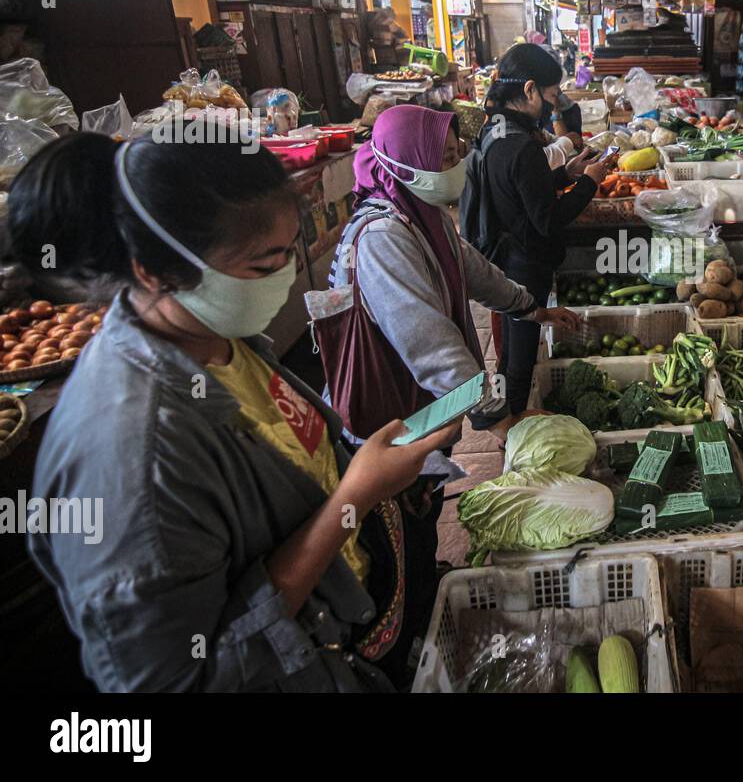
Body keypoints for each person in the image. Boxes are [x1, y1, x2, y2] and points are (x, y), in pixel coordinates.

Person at [10, 131, 459, 692]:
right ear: (154, 270)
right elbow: (178, 679)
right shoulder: (132, 454)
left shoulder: (215, 335)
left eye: (289, 253)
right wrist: (353, 498)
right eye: (263, 265)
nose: (287, 277)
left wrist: (358, 472)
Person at [328, 103, 580, 512]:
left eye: (456, 150)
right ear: (409, 165)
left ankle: (427, 563)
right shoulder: (382, 239)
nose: (459, 162)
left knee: (427, 492)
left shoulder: (423, 215)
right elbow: (431, 345)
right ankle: (419, 574)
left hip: (425, 404)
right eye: (445, 157)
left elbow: (475, 272)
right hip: (389, 416)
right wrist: (498, 420)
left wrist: (532, 309)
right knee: (399, 515)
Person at [461, 42, 612, 416]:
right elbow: (547, 218)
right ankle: (511, 422)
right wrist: (589, 183)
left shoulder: (495, 130)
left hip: (505, 251)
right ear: (529, 90)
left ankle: (506, 409)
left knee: (513, 343)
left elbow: (520, 189)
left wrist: (566, 172)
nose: (554, 104)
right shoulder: (521, 146)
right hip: (525, 260)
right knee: (522, 350)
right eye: (551, 95)